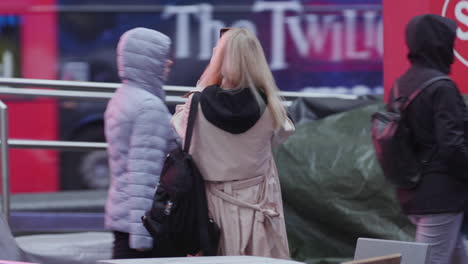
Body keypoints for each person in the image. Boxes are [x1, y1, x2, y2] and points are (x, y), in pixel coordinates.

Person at [171, 28, 294, 259]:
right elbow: (282, 135)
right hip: (257, 210)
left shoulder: (195, 105)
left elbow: (179, 131)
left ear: (219, 60)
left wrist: (209, 77)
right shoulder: (273, 108)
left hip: (208, 212)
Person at [393, 14, 468, 264]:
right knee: (429, 260)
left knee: (457, 255)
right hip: (441, 195)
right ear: (440, 43)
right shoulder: (441, 87)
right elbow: (452, 146)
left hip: (413, 190)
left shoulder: (402, 84)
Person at [104, 27, 178, 259]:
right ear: (148, 61)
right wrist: (142, 236)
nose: (169, 62)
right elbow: (144, 175)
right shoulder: (149, 107)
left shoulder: (122, 97)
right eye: (162, 56)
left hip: (123, 217)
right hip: (143, 224)